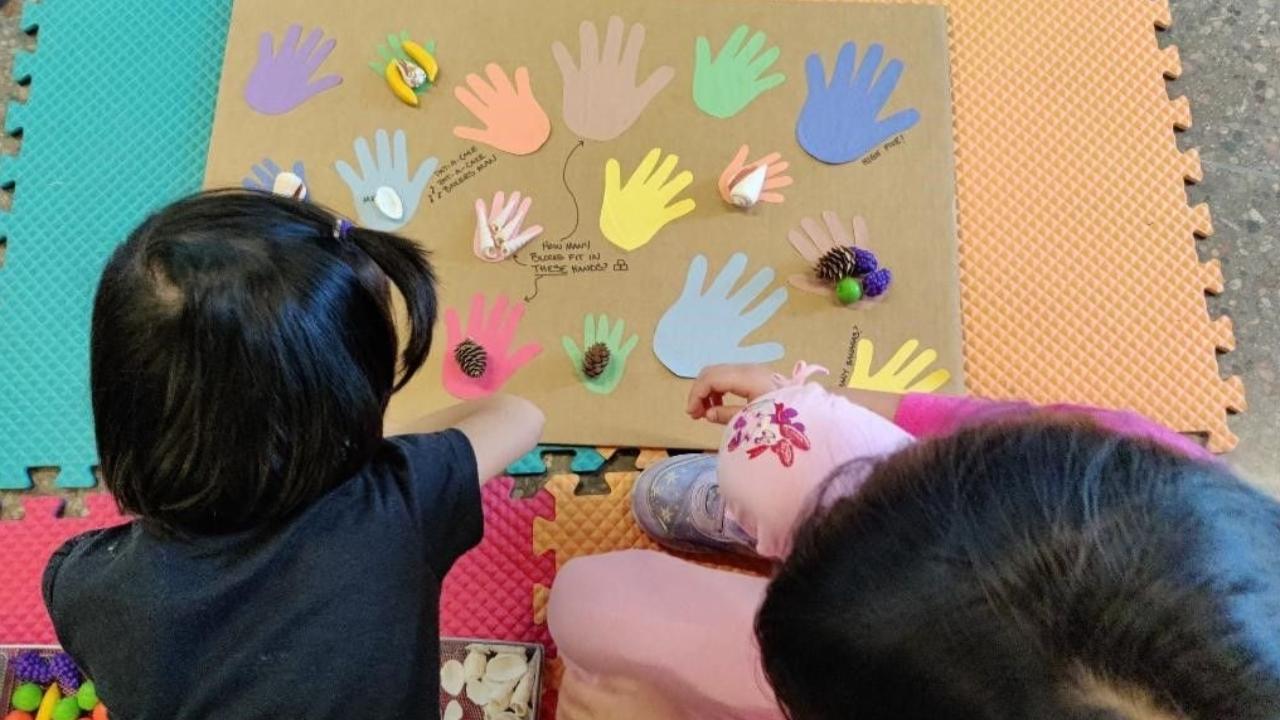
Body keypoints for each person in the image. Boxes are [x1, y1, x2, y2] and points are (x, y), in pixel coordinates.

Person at [43, 190, 545, 719]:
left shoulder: (80, 584)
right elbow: (519, 417)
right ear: (348, 412)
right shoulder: (397, 506)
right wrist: (368, 449)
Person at [548, 363, 1280, 720]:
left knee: (588, 605)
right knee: (787, 453)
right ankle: (791, 515)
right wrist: (816, 410)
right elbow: (975, 428)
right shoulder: (1140, 482)